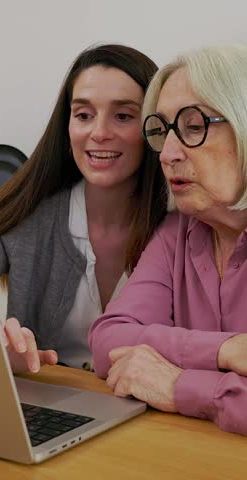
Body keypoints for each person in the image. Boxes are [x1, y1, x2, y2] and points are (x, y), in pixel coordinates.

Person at [0, 44, 167, 374]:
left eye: (123, 116)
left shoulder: (181, 227)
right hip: (55, 411)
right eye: (83, 115)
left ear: (154, 128)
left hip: (159, 416)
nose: (99, 133)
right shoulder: (27, 214)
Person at [89, 44, 247, 435]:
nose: (167, 154)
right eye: (162, 131)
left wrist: (180, 385)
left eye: (194, 126)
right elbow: (109, 340)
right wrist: (225, 350)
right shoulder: (176, 232)